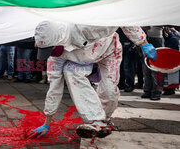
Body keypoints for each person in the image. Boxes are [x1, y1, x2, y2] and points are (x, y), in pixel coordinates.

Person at [27, 21, 157, 139]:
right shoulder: (55, 57)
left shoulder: (85, 27)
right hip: (80, 60)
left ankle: (104, 119)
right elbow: (54, 88)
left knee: (109, 91)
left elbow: (122, 19)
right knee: (70, 71)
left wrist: (142, 43)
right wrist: (47, 123)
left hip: (108, 50)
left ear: (60, 39)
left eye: (51, 49)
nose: (51, 54)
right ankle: (96, 120)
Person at [141, 26, 163, 100]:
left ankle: (156, 92)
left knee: (156, 68)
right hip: (146, 39)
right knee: (146, 68)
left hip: (157, 39)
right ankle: (147, 91)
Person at [162, 26, 179, 95]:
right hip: (171, 60)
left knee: (169, 75)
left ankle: (169, 89)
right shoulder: (171, 38)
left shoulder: (173, 39)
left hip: (171, 60)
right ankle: (170, 89)